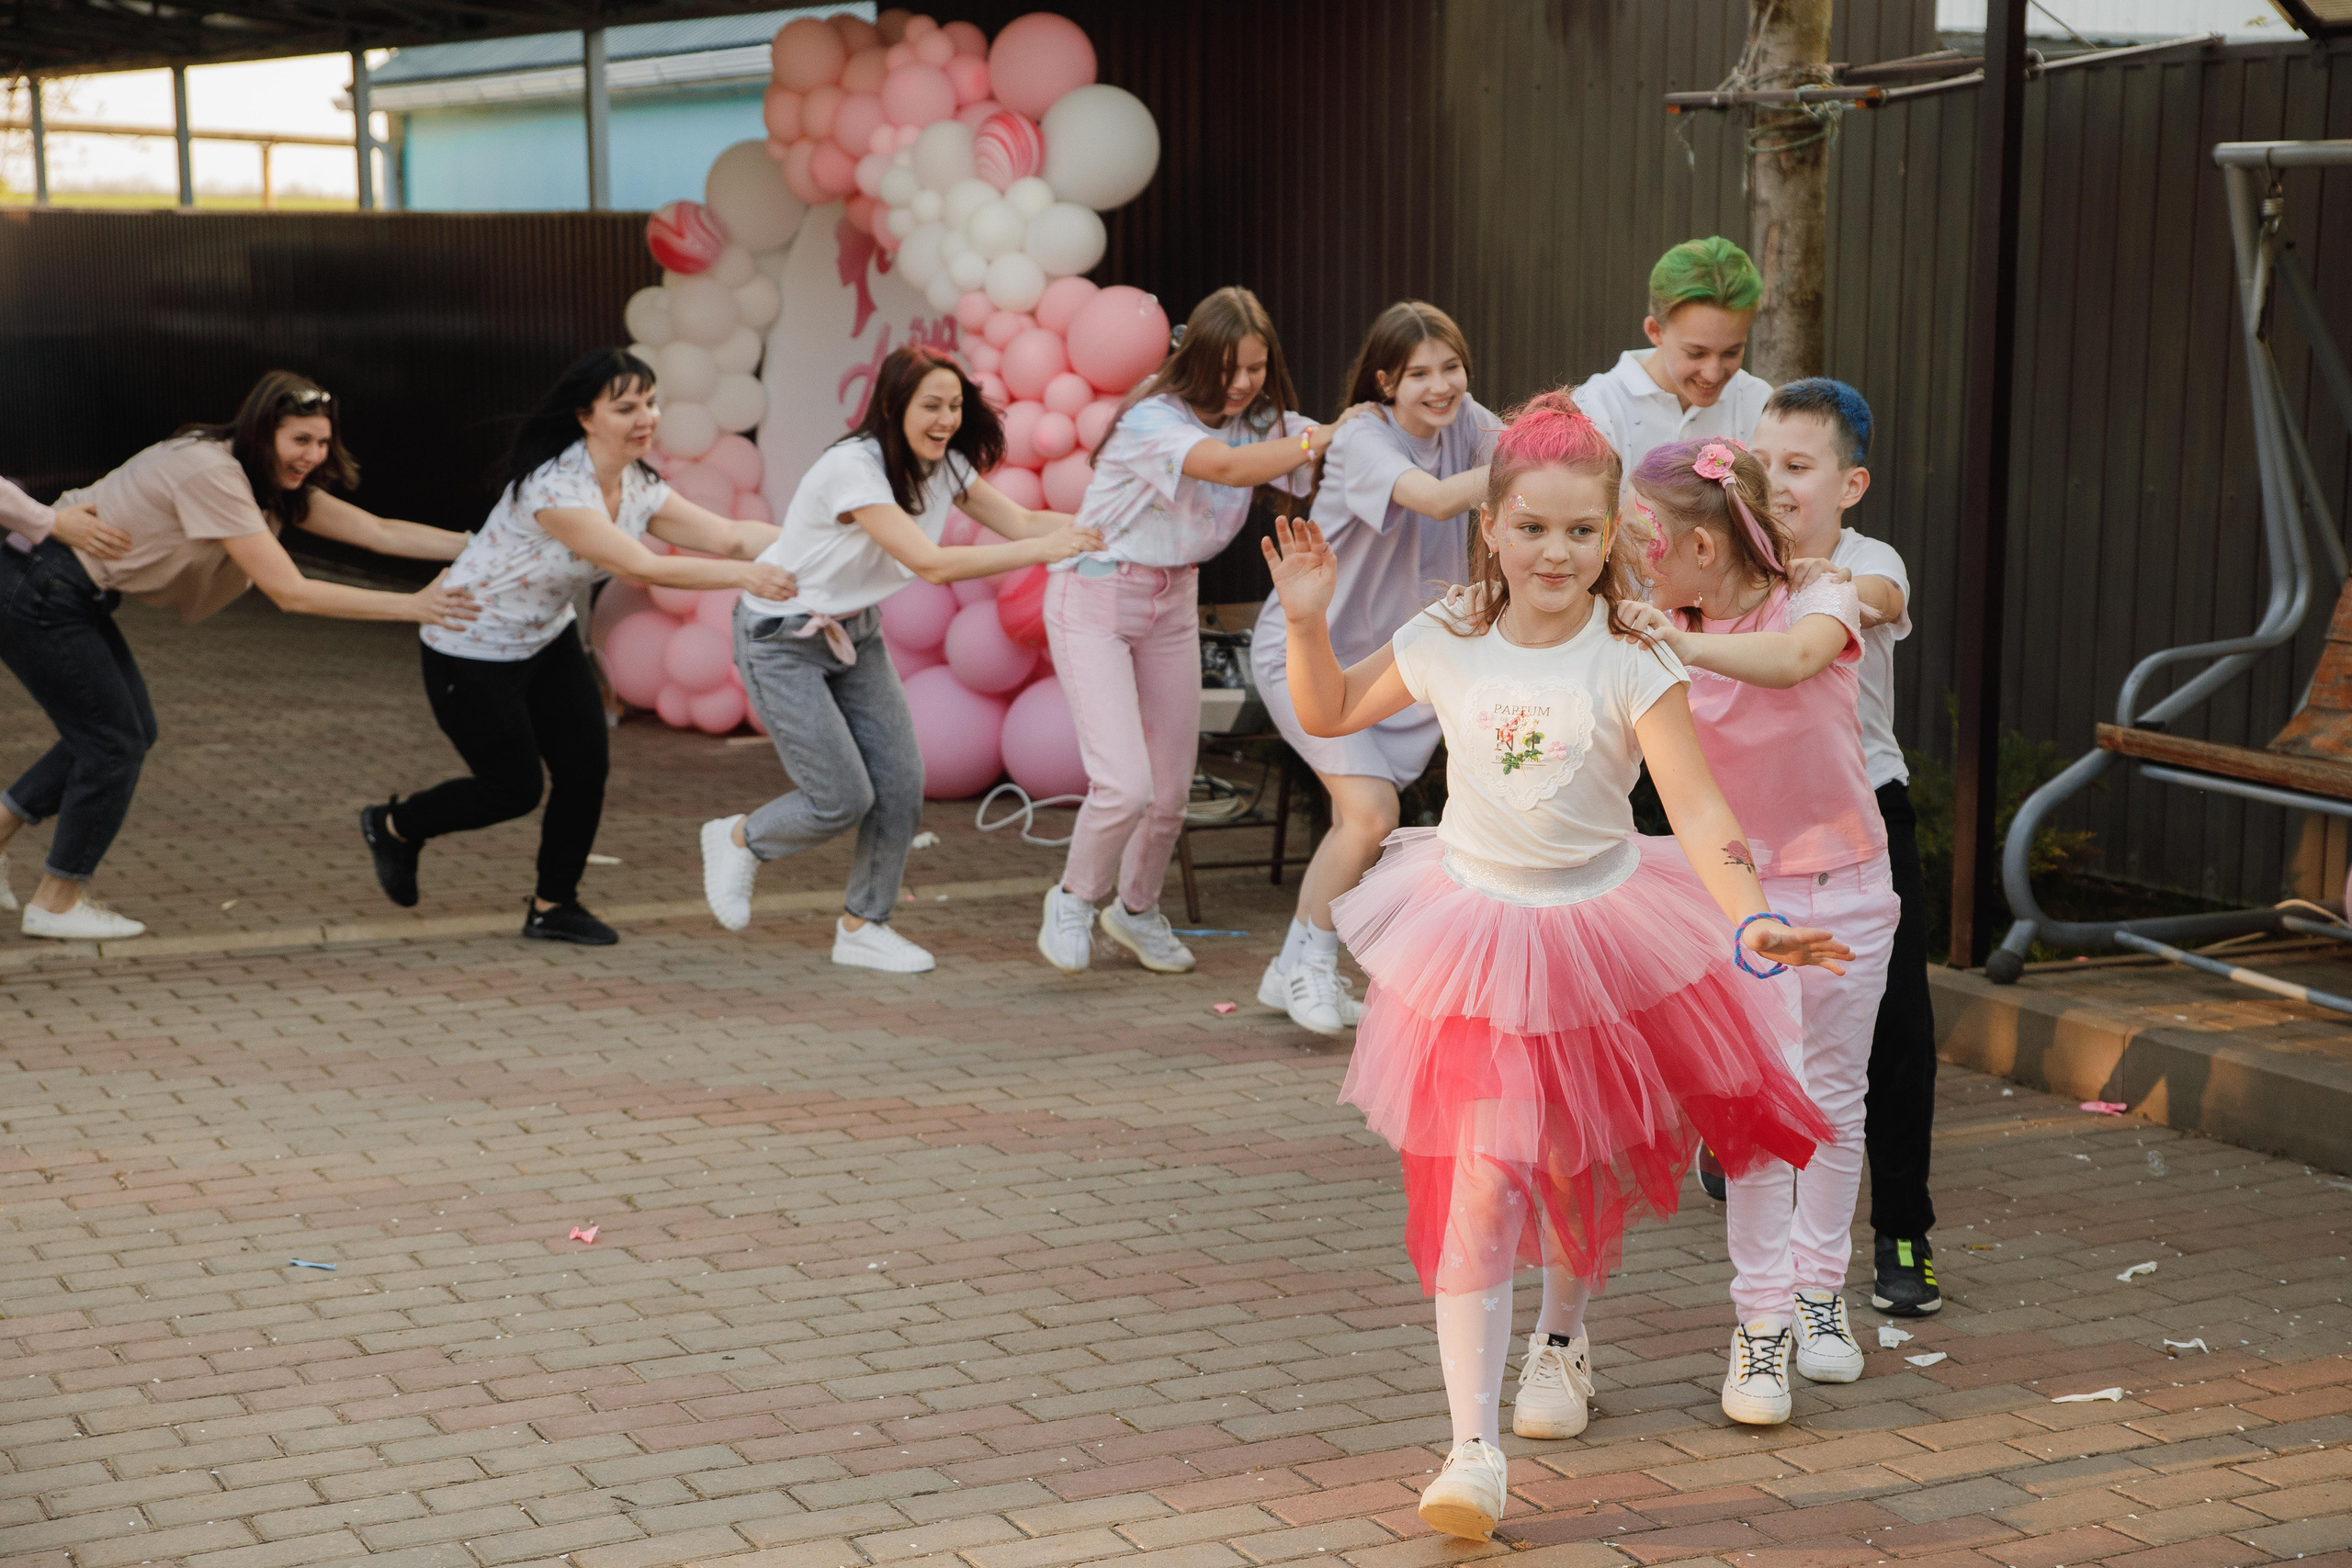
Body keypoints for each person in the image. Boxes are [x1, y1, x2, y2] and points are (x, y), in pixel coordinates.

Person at [1264, 392, 1846, 1541]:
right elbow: (1328, 706)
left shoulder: (1632, 655)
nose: (1556, 552)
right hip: (1474, 937)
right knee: (1481, 1181)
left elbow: (1699, 808)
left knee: (1574, 1164)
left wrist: (1751, 920)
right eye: (1533, 528)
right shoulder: (1444, 637)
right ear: (1493, 526)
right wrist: (1304, 620)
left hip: (1601, 934)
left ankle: (1561, 1339)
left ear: (1612, 532)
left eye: (1582, 532)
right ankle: (1470, 1448)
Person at [1622, 437, 1901, 1427]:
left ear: (1698, 546)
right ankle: (1761, 1323)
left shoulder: (1818, 601)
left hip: (1851, 887)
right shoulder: (1651, 630)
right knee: (1753, 1106)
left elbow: (1790, 665)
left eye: (1640, 536)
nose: (1629, 553)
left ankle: (1823, 1293)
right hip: (1738, 903)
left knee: (1833, 1098)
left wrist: (1678, 645)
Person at [0, 372, 475, 942]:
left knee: (122, 734)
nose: (313, 455)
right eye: (300, 440)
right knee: (113, 743)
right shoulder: (214, 474)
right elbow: (291, 592)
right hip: (40, 589)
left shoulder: (260, 478)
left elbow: (378, 532)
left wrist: (482, 542)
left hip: (59, 589)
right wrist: (416, 607)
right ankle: (56, 900)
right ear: (260, 431)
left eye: (322, 442)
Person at [359, 349, 794, 948]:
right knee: (512, 789)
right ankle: (394, 825)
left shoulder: (636, 482)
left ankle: (552, 905)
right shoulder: (556, 488)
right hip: (469, 645)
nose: (645, 417)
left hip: (546, 636)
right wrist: (746, 579)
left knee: (585, 768)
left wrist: (826, 540)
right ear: (585, 415)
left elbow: (729, 534)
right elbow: (642, 565)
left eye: (649, 402)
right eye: (625, 407)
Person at [697, 345, 1099, 973]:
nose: (945, 420)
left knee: (902, 785)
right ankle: (738, 838)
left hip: (856, 631)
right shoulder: (854, 469)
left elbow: (1020, 520)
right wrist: (1050, 548)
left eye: (955, 407)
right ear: (893, 406)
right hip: (782, 640)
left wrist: (1104, 527)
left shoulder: (945, 465)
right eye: (930, 406)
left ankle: (863, 924)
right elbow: (932, 564)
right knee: (840, 796)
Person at [1035, 286, 1352, 976]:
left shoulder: (1262, 418)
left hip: (1174, 599)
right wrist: (1310, 438)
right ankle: (1073, 898)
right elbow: (1229, 467)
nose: (1242, 385)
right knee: (1125, 784)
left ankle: (1137, 909)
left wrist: (1363, 424)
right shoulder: (1154, 416)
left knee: (1173, 791)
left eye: (1257, 368)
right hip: (1096, 593)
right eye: (1229, 369)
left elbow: (1316, 449)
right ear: (1196, 359)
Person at [1250, 301, 1498, 1035]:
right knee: (1370, 815)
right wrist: (1538, 459)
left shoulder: (1467, 422)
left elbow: (1518, 441)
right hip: (1309, 648)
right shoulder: (1362, 435)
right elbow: (1435, 497)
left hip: (1394, 662)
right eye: (1419, 373)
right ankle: (1312, 966)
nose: (1441, 385)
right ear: (1385, 381)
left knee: (1359, 819)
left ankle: (1289, 963)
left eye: (1451, 367)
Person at [1752, 378, 1939, 1316]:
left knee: (1895, 1037)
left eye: (1798, 466)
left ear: (1849, 483)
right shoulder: (1726, 558)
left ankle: (1901, 1229)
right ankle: (1743, 1162)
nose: (1776, 484)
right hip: (1749, 836)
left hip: (1867, 821)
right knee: (1745, 1020)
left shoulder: (1865, 561)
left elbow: (1879, 595)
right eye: (1762, 464)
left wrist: (1809, 579)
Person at [1571, 236, 1772, 475]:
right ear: (1655, 331)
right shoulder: (1597, 408)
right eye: (1696, 353)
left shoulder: (1759, 404)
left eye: (1732, 352)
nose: (1713, 373)